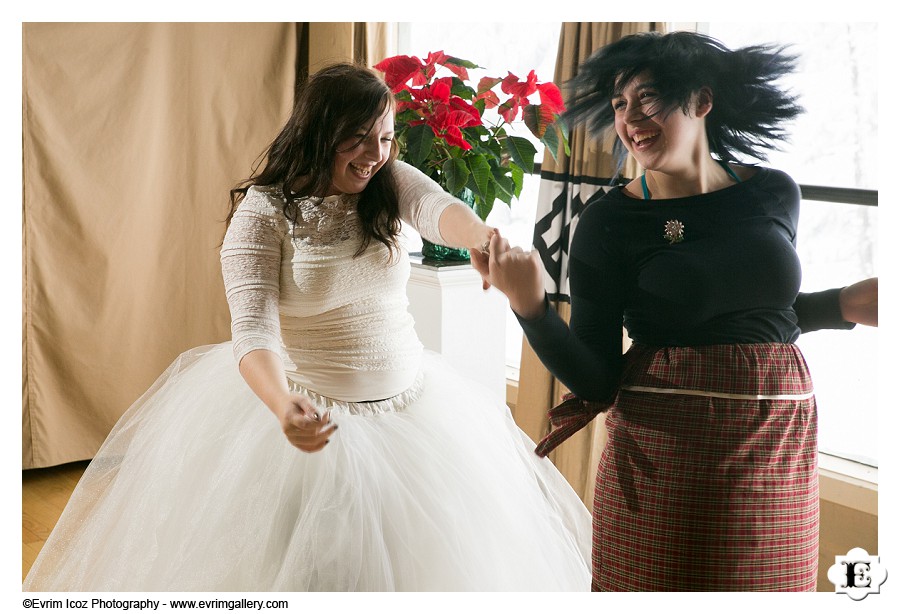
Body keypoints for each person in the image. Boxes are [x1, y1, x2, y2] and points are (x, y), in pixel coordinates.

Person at [23, 63, 591, 592]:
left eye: (387, 137)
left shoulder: (388, 180)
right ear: (320, 133)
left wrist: (483, 239)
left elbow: (436, 207)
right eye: (360, 138)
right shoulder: (264, 213)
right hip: (316, 413)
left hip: (415, 409)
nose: (376, 155)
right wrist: (281, 405)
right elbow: (253, 331)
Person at [471, 31, 878, 592]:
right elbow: (597, 379)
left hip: (780, 452)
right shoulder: (608, 223)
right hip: (666, 462)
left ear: (701, 100)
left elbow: (751, 312)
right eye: (619, 104)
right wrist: (531, 307)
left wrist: (843, 305)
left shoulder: (774, 192)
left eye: (648, 97)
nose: (630, 117)